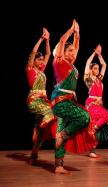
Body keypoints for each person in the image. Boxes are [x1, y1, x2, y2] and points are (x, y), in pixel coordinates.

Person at [51, 20, 92, 174]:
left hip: (67, 101)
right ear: (62, 52)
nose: (73, 53)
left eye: (73, 51)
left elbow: (77, 47)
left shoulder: (71, 64)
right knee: (85, 118)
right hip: (61, 101)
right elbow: (62, 41)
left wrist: (77, 34)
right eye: (69, 51)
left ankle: (59, 165)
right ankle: (63, 135)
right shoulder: (59, 62)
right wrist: (70, 30)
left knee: (61, 129)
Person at [26, 28, 57, 165]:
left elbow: (49, 53)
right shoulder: (30, 70)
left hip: (43, 101)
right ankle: (40, 126)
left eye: (41, 60)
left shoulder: (41, 70)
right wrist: (41, 39)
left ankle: (34, 154)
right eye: (38, 60)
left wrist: (48, 40)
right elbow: (33, 52)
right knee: (50, 114)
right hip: (34, 100)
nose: (40, 61)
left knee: (40, 132)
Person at [83, 44, 108, 158]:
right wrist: (94, 53)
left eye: (97, 68)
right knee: (107, 115)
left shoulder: (99, 79)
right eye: (95, 68)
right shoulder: (88, 79)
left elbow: (104, 64)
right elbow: (87, 63)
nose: (98, 70)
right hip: (91, 104)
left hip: (99, 104)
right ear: (91, 70)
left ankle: (92, 151)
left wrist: (99, 56)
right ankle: (93, 128)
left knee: (97, 127)